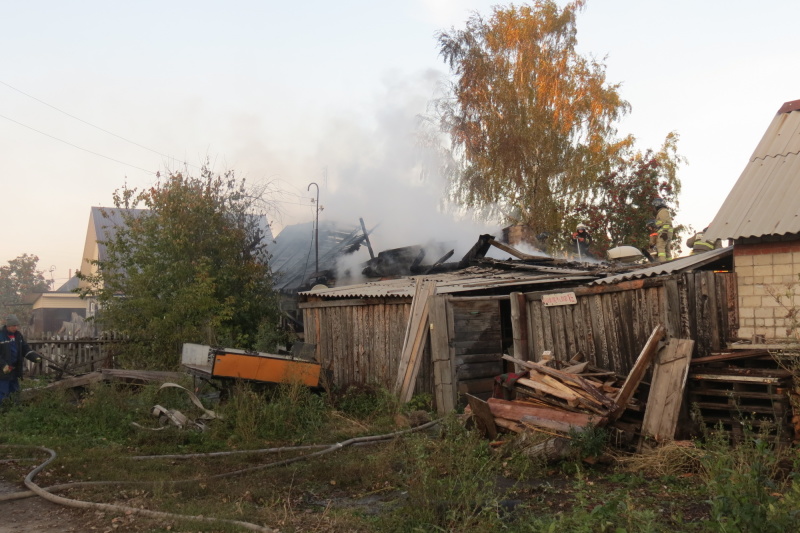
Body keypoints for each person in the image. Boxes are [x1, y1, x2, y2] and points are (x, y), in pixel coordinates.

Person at [0, 315, 42, 403]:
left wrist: (34, 357)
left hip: (14, 369)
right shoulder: (1, 336)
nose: (15, 328)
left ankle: (15, 410)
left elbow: (24, 348)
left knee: (15, 391)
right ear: (8, 326)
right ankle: (3, 412)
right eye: (13, 326)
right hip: (3, 371)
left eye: (17, 325)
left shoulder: (18, 336)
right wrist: (3, 365)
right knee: (3, 391)